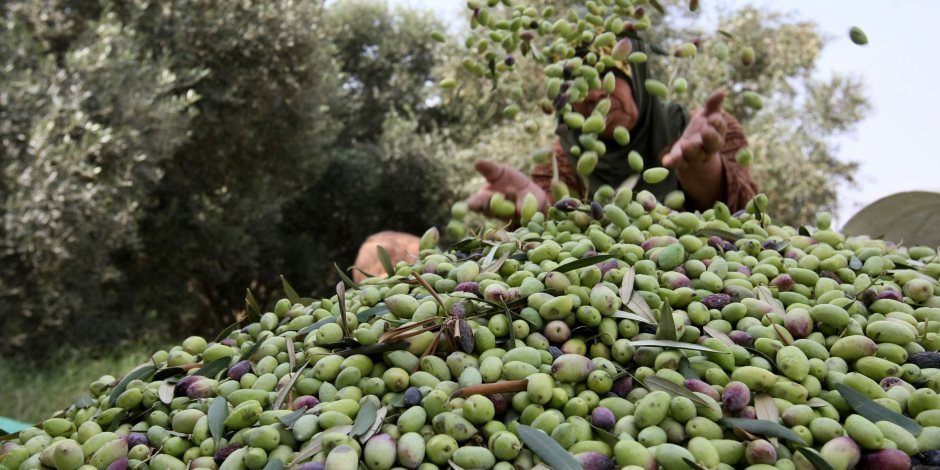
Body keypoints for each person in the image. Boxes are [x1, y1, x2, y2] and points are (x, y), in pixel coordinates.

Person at [466, 38, 758, 218]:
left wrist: (703, 166)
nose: (594, 94)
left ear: (637, 79)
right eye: (578, 85)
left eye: (607, 74)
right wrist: (536, 208)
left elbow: (748, 217)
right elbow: (552, 223)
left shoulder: (707, 131)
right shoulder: (561, 161)